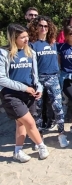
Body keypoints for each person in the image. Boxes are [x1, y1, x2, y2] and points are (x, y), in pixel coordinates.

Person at [0, 24, 50, 162]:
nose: (26, 39)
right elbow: (2, 79)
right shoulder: (4, 53)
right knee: (30, 122)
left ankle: (17, 151)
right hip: (11, 94)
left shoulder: (30, 52)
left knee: (21, 123)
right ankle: (41, 146)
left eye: (27, 36)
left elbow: (35, 76)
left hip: (29, 93)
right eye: (22, 37)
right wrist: (23, 88)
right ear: (13, 38)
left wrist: (39, 88)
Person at [28, 16, 69, 148]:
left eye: (46, 26)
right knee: (38, 110)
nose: (43, 28)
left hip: (53, 78)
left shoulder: (53, 43)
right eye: (41, 26)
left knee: (58, 107)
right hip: (38, 80)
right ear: (36, 27)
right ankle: (39, 137)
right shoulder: (32, 44)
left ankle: (62, 134)